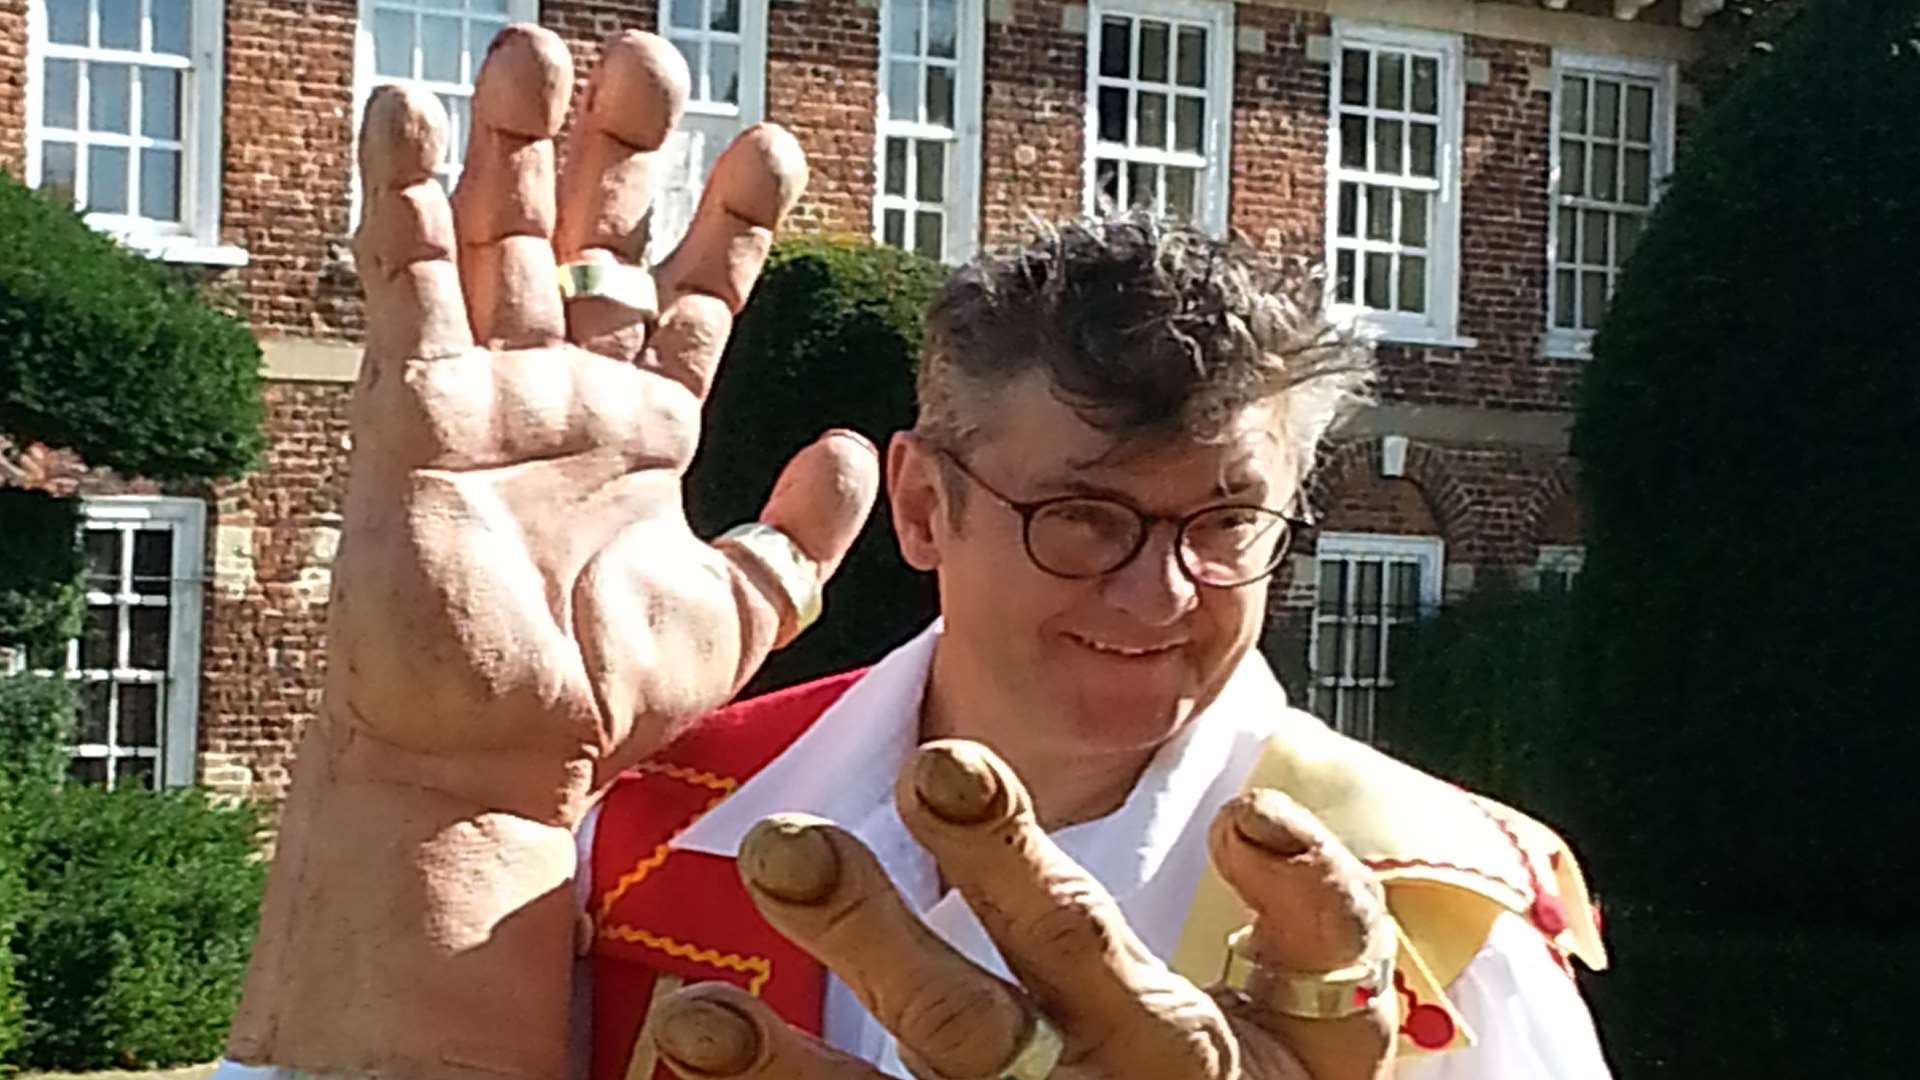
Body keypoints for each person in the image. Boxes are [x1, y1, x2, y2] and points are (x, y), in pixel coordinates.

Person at [217, 22, 1610, 1080]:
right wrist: (432, 795)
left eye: (1225, 525)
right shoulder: (631, 833)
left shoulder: (1429, 910)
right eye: (1083, 517)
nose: (1161, 589)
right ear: (925, 506)